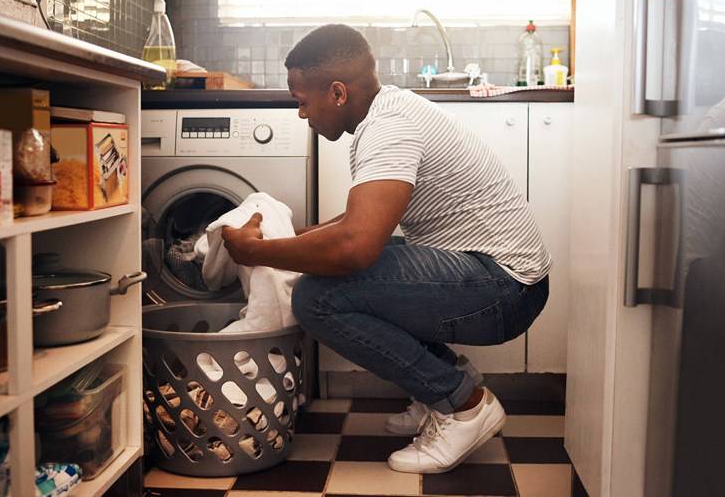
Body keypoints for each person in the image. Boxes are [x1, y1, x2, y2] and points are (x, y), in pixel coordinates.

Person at [221, 24, 551, 473]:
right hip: (500, 277)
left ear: (337, 92)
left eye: (302, 101)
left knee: (318, 297)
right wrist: (288, 239)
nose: (301, 114)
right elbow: (358, 220)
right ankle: (443, 388)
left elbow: (355, 246)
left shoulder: (389, 128)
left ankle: (464, 405)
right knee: (348, 271)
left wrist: (256, 253)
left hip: (506, 289)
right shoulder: (389, 111)